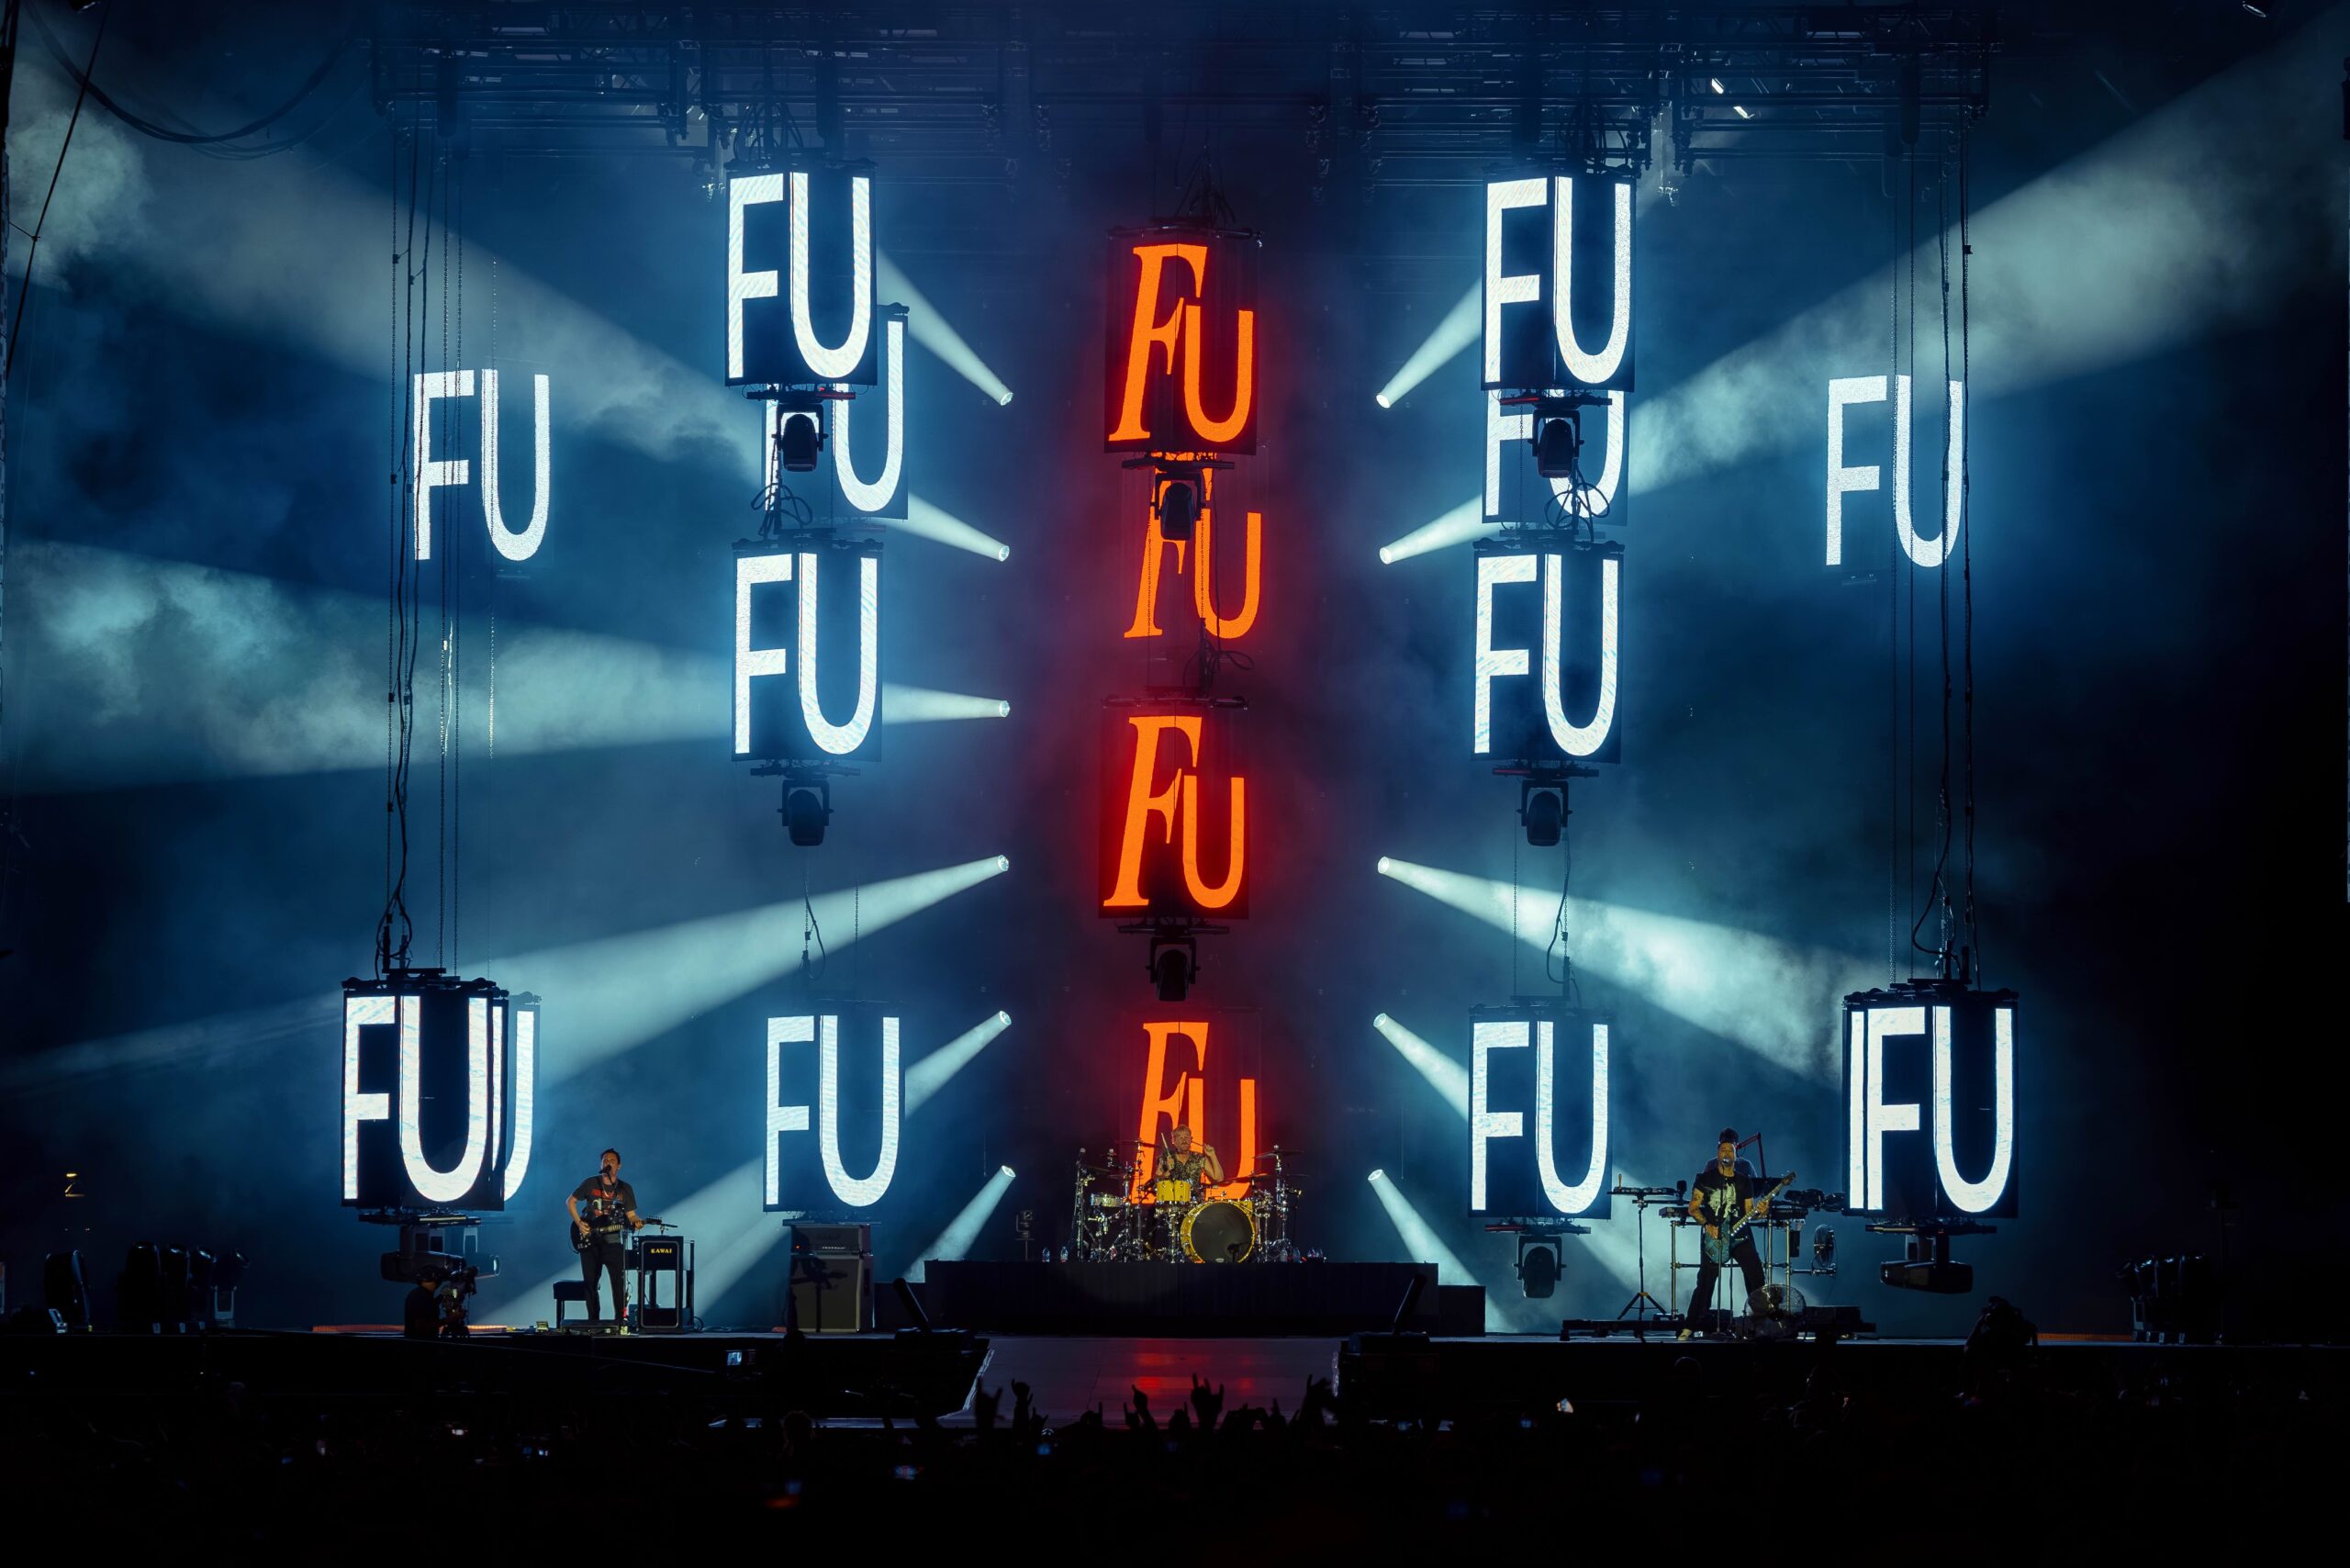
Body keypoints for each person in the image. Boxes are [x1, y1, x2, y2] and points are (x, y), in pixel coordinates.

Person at [1682, 1127, 1768, 1338]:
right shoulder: (1706, 1176)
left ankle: (1761, 1323)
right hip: (1715, 1233)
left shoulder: (1745, 1175)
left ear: (1736, 1151)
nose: (1727, 1152)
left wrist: (1760, 1212)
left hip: (1740, 1233)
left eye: (1731, 1149)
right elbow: (1694, 1208)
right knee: (1705, 1281)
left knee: (1756, 1274)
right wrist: (1707, 1225)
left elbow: (1750, 1210)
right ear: (1718, 1150)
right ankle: (1690, 1325)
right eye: (1723, 1149)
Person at [568, 1148, 641, 1325]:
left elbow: (631, 1215)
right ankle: (593, 1322)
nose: (608, 1163)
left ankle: (620, 1321)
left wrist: (637, 1222)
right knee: (590, 1283)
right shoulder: (590, 1183)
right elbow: (570, 1202)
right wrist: (579, 1223)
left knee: (618, 1282)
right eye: (605, 1160)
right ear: (601, 1164)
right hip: (590, 1240)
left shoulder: (625, 1189)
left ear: (619, 1166)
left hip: (613, 1241)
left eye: (612, 1161)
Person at [1154, 1125, 1224, 1195]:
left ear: (1191, 1140)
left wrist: (1212, 1155)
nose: (1184, 1140)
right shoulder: (1166, 1158)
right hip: (1172, 1200)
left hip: (1195, 1201)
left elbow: (1219, 1178)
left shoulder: (1199, 1158)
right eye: (1180, 1137)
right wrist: (1168, 1171)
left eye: (1186, 1137)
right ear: (1173, 1141)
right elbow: (1155, 1184)